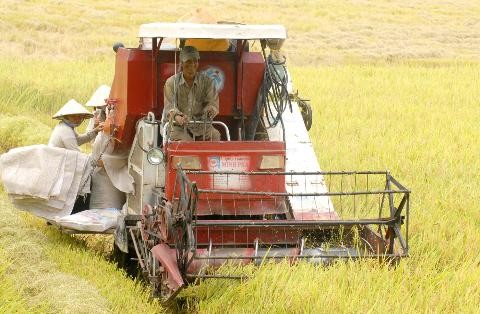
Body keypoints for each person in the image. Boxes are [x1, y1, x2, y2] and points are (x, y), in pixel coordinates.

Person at [163, 46, 220, 141]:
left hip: (200, 126)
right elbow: (169, 108)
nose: (192, 65)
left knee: (215, 135)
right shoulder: (171, 83)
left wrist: (210, 110)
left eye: (195, 61)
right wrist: (178, 117)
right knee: (186, 143)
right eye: (188, 62)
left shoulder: (207, 82)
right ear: (181, 63)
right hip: (177, 127)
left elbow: (213, 103)